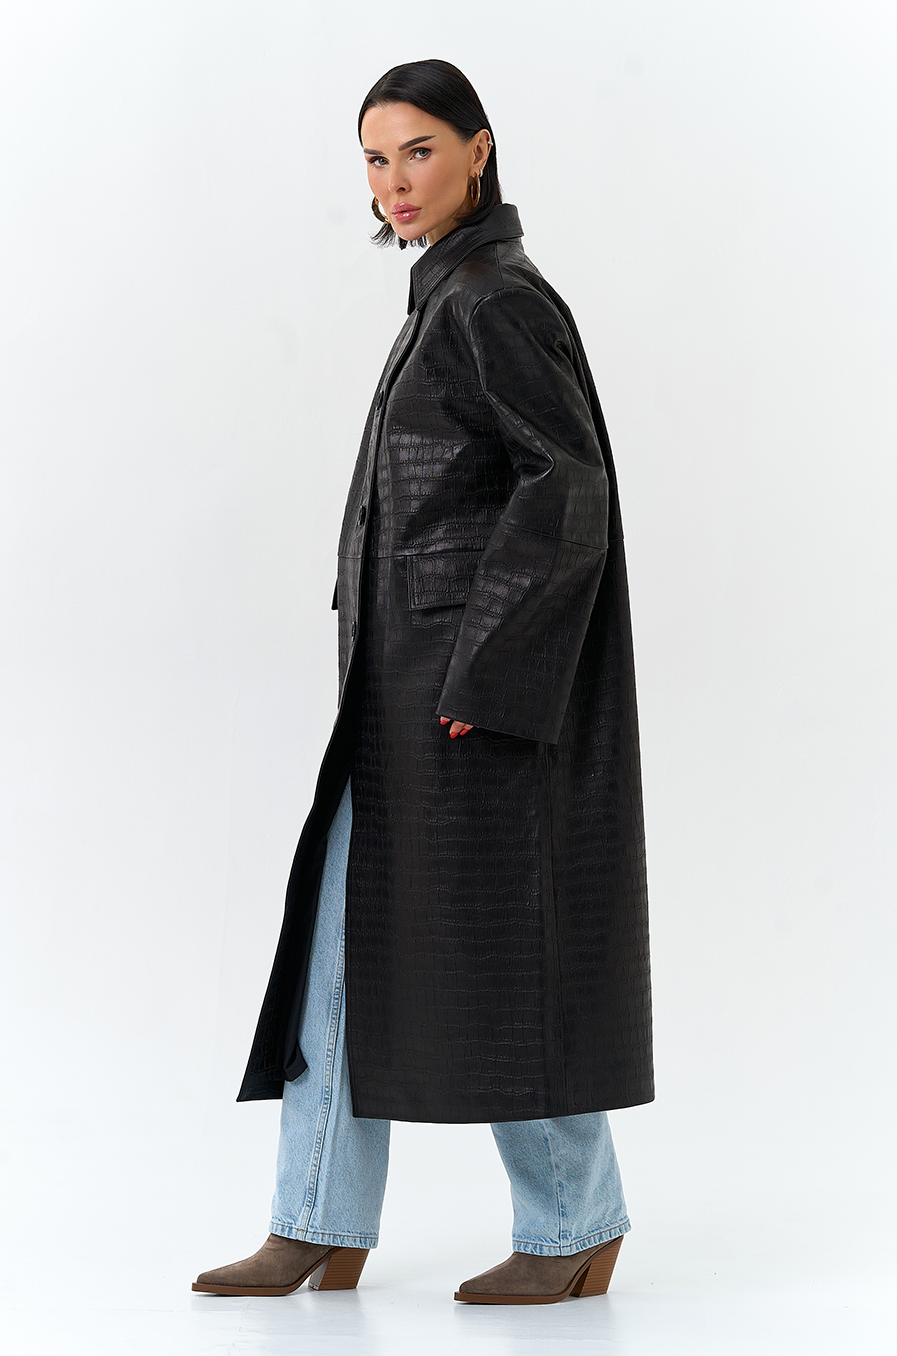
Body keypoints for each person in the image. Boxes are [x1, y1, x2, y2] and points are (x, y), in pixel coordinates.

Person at [192, 58, 654, 1306]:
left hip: (466, 706)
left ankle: (573, 1225)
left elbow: (565, 488)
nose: (393, 182)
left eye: (417, 151)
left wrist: (485, 672)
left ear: (477, 151)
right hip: (405, 701)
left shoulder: (491, 298)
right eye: (373, 159)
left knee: (504, 951)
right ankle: (315, 1220)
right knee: (345, 948)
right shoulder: (449, 293)